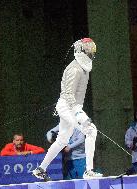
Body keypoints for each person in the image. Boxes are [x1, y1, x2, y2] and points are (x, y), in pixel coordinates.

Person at [32, 38, 102, 181]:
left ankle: (40, 169)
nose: (91, 51)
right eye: (88, 48)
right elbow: (69, 95)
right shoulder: (75, 69)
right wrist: (78, 114)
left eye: (91, 48)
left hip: (73, 106)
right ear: (81, 50)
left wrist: (78, 111)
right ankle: (88, 171)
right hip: (67, 106)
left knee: (62, 140)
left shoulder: (84, 67)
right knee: (91, 130)